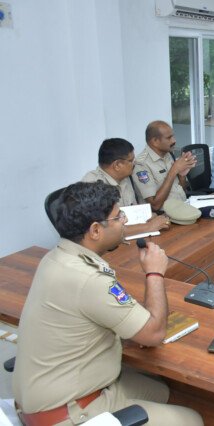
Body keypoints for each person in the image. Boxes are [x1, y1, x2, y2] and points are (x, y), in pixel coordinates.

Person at [13, 181, 203, 425]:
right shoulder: (89, 279)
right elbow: (154, 334)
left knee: (160, 390)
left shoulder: (56, 257)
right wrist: (155, 272)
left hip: (53, 393)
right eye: (118, 216)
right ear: (95, 230)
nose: (125, 220)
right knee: (192, 420)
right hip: (69, 413)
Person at [82, 138, 170, 237]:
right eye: (131, 160)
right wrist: (149, 226)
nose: (135, 163)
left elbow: (130, 215)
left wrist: (147, 217)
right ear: (117, 165)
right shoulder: (92, 185)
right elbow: (103, 231)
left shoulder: (125, 177)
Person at [132, 121, 196, 212]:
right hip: (163, 215)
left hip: (182, 207)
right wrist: (174, 170)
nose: (174, 141)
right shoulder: (141, 164)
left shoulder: (168, 154)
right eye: (169, 138)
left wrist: (182, 175)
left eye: (173, 136)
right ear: (155, 141)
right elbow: (155, 205)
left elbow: (180, 191)